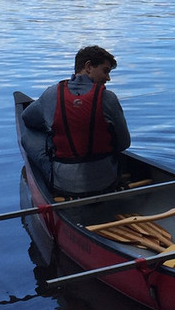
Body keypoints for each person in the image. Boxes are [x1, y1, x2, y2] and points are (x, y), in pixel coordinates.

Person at [21, 45, 132, 197]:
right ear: (88, 67)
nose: (108, 78)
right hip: (107, 182)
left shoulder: (51, 94)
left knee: (27, 134)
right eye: (105, 71)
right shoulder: (109, 98)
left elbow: (27, 118)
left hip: (64, 185)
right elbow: (124, 143)